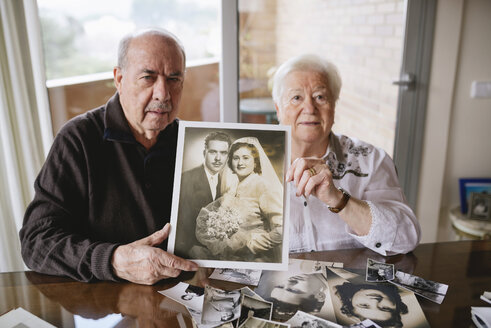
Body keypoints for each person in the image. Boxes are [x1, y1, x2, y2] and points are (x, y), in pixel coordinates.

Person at [19, 28, 198, 284]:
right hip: (108, 304)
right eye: (148, 77)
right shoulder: (78, 139)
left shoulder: (194, 143)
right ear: (119, 78)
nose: (163, 94)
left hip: (181, 299)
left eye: (174, 79)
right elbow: (36, 242)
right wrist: (113, 260)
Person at [272, 54, 421, 255]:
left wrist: (338, 199)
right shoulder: (246, 160)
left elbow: (406, 238)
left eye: (320, 97)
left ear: (333, 106)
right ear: (278, 109)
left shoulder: (371, 160)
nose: (309, 108)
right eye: (296, 97)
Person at [194, 137, 283, 262]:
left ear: (255, 162)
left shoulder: (263, 186)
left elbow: (282, 230)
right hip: (229, 257)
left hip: (255, 258)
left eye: (246, 158)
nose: (240, 163)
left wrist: (251, 247)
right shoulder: (231, 188)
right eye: (236, 158)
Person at [174, 131, 231, 258]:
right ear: (204, 153)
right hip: (192, 255)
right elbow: (178, 220)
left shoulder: (230, 183)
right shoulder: (185, 179)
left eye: (223, 153)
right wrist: (189, 248)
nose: (218, 158)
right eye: (213, 152)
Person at [335, 282, 408, 327]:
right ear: (397, 306)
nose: (374, 301)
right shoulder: (403, 284)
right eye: (384, 308)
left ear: (350, 301)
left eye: (364, 305)